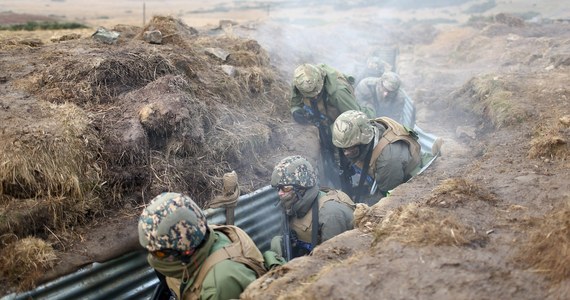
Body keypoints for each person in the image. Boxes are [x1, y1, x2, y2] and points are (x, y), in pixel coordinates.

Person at [138, 192, 280, 300]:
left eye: (160, 254)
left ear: (187, 251)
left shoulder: (219, 283)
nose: (153, 258)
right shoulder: (199, 234)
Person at [269, 155, 355, 260]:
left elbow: (332, 261)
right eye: (278, 188)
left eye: (285, 188)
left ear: (302, 188)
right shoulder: (292, 205)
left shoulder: (331, 214)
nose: (280, 193)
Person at [332, 110, 422, 205]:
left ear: (364, 142)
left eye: (351, 149)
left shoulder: (387, 161)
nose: (346, 154)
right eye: (343, 149)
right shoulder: (367, 129)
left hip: (408, 186)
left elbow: (388, 198)